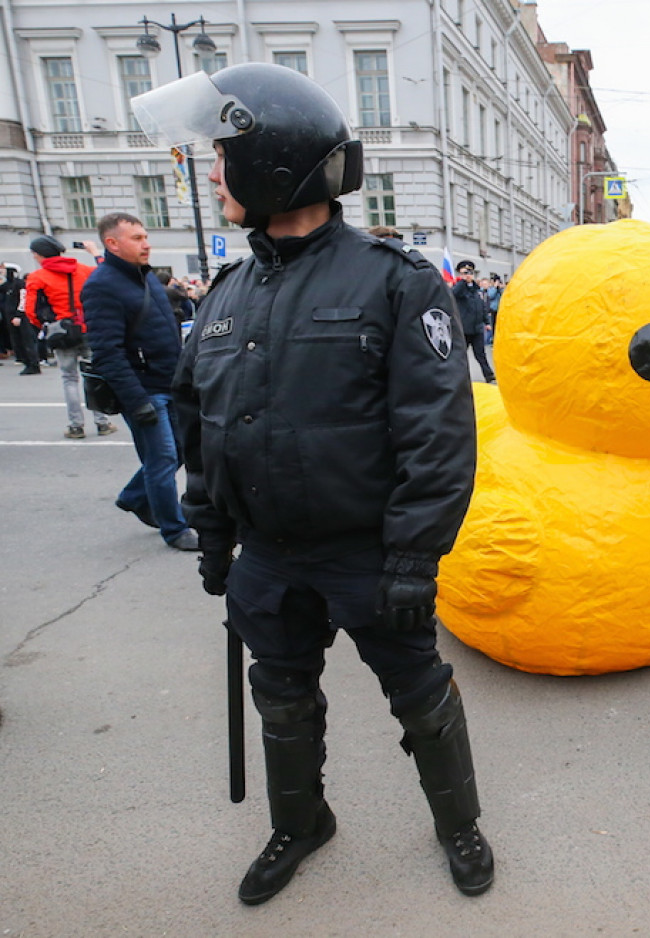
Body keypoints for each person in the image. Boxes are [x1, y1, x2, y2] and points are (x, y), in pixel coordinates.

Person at [133, 61, 492, 905]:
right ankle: (301, 823)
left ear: (273, 162)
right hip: (268, 556)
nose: (212, 171)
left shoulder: (393, 282)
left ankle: (460, 826)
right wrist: (212, 531)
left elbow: (438, 435)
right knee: (282, 698)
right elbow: (200, 424)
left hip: (369, 556)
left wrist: (413, 557)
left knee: (421, 696)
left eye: (223, 154)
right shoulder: (226, 294)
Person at [80, 214, 196, 549]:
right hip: (144, 391)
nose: (146, 244)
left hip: (169, 384)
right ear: (112, 243)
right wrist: (137, 401)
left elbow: (165, 335)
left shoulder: (146, 279)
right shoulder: (102, 285)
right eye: (136, 238)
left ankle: (134, 495)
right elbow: (107, 352)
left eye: (145, 236)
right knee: (161, 460)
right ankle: (175, 529)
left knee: (178, 453)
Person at [23, 235, 114, 439]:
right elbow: (108, 277)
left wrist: (48, 326)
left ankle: (76, 426)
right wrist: (95, 253)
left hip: (61, 332)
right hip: (87, 328)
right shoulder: (83, 270)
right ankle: (102, 422)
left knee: (69, 378)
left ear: (38, 255)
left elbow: (31, 312)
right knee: (93, 375)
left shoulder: (38, 277)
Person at [451, 259, 496, 382]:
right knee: (460, 355)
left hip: (477, 328)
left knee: (480, 354)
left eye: (470, 272)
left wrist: (486, 322)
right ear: (460, 274)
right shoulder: (459, 288)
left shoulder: (476, 289)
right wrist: (463, 281)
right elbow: (454, 293)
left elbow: (481, 307)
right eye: (465, 272)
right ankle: (457, 377)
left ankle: (489, 375)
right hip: (464, 329)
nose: (468, 275)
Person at [3, 263, 41, 375]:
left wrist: (19, 314)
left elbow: (23, 299)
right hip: (11, 316)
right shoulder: (9, 285)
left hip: (20, 317)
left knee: (26, 340)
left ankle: (33, 363)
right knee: (17, 340)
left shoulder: (19, 284)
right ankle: (25, 361)